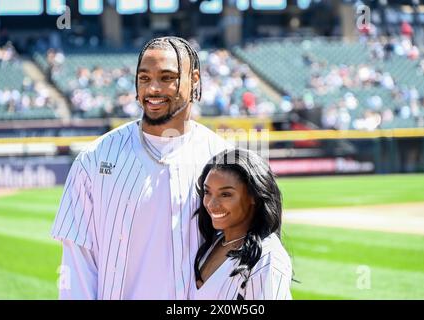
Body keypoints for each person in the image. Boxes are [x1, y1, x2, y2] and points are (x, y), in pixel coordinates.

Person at [51, 36, 230, 299]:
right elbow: (78, 266)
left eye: (166, 77)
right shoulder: (94, 160)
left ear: (194, 80)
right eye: (144, 78)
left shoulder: (224, 160)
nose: (153, 89)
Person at [190, 149, 293, 300]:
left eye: (225, 194)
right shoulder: (214, 242)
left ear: (254, 196)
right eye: (207, 192)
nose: (211, 204)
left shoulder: (267, 257)